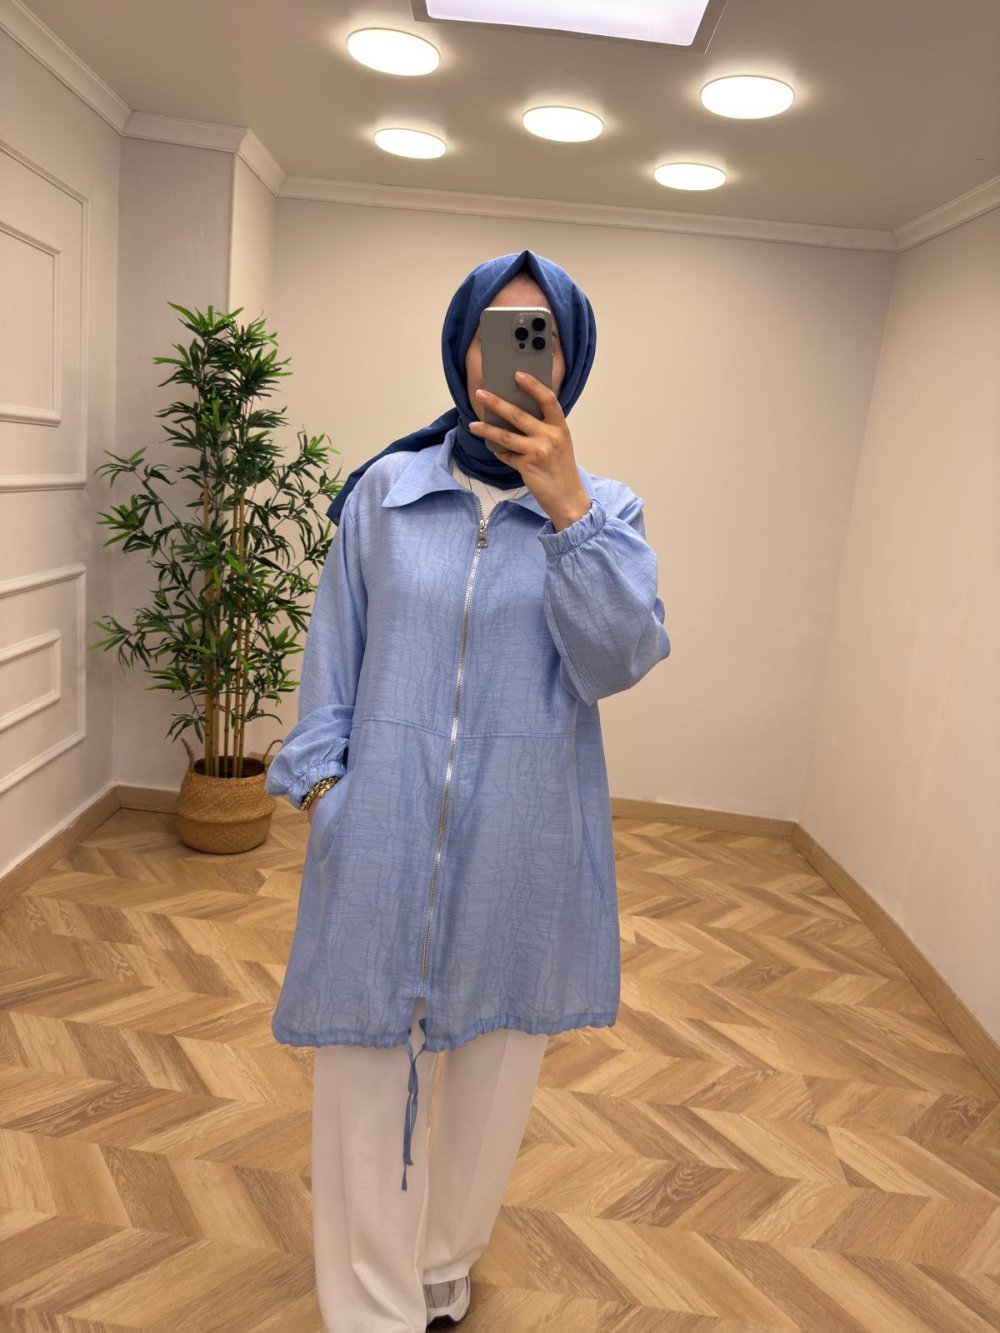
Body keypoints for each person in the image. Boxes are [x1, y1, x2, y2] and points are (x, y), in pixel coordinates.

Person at [264, 248, 671, 1331]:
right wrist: (329, 793)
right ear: (460, 349)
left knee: (492, 1078)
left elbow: (617, 661)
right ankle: (370, 1306)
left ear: (571, 359)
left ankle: (441, 1265)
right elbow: (332, 659)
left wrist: (568, 508)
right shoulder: (386, 493)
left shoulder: (608, 512)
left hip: (523, 847)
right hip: (381, 829)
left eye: (540, 335)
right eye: (496, 330)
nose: (514, 355)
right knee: (362, 1074)